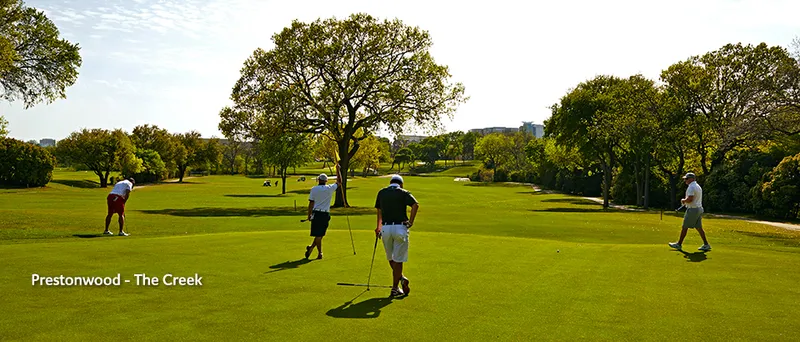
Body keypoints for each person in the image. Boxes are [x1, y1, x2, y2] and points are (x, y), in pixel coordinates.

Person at [374, 174, 419, 297]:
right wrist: (411, 222)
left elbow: (379, 211)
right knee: (398, 260)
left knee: (391, 258)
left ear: (390, 182)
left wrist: (378, 227)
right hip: (400, 227)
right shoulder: (403, 192)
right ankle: (395, 288)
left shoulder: (381, 193)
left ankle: (401, 279)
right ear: (401, 184)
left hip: (386, 228)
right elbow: (415, 205)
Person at [305, 163, 343, 259]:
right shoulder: (329, 188)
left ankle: (313, 249)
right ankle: (319, 252)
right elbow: (339, 181)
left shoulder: (314, 189)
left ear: (318, 180)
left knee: (319, 235)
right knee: (320, 234)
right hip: (325, 214)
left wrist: (309, 215)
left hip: (316, 213)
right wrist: (338, 170)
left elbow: (311, 203)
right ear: (326, 181)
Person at [669, 172, 711, 251]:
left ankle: (679, 244)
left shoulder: (691, 187)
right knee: (699, 227)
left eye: (687, 179)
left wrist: (683, 200)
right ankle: (706, 244)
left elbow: (690, 199)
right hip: (698, 209)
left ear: (692, 179)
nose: (685, 180)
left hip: (693, 209)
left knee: (685, 226)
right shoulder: (697, 186)